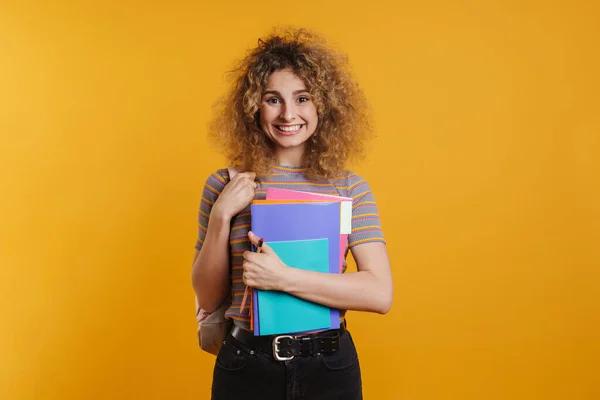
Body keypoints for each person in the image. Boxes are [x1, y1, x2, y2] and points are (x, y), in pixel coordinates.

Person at [191, 27, 393, 400]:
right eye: (273, 99)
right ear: (254, 106)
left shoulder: (348, 187)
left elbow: (379, 293)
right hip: (247, 364)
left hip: (330, 367)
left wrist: (282, 277)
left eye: (302, 98)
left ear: (324, 105)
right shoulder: (225, 183)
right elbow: (207, 297)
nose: (288, 114)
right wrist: (222, 215)